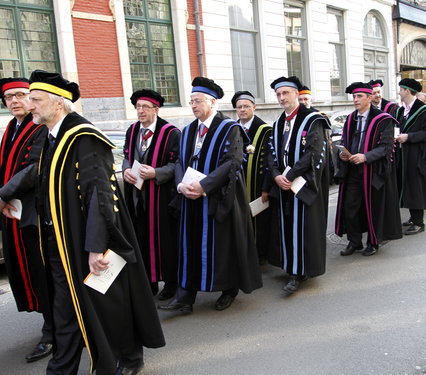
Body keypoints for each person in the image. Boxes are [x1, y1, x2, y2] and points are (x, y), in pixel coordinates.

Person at [0, 70, 165, 374]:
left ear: (58, 103)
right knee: (68, 310)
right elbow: (46, 183)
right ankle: (63, 368)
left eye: (35, 99)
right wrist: (22, 207)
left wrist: (96, 248)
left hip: (86, 241)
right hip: (59, 241)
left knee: (109, 307)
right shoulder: (51, 135)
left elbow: (100, 197)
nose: (30, 104)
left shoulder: (84, 138)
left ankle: (129, 357)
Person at [159, 77, 262, 313]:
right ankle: (185, 298)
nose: (193, 105)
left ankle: (229, 289)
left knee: (224, 246)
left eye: (198, 101)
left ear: (212, 102)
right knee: (189, 245)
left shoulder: (229, 129)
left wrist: (204, 186)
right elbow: (179, 163)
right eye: (191, 101)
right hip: (190, 199)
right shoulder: (187, 131)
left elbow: (233, 162)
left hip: (220, 198)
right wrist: (180, 186)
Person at [0, 78, 52, 362]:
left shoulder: (40, 127)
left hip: (36, 214)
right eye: (9, 98)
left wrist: (2, 194)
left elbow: (34, 169)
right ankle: (50, 322)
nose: (15, 101)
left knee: (43, 272)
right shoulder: (11, 128)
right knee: (27, 272)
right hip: (14, 213)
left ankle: (55, 330)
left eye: (21, 95)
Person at [265, 76, 330, 293]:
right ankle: (290, 266)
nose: (282, 97)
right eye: (278, 94)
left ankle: (300, 271)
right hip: (283, 185)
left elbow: (314, 152)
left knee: (303, 228)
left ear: (296, 94)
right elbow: (271, 155)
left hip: (303, 184)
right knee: (286, 227)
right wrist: (276, 176)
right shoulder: (277, 124)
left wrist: (290, 175)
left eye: (286, 93)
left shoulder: (312, 120)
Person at [122, 89, 180, 299]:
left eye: (145, 107)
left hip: (161, 198)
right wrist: (126, 169)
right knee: (141, 241)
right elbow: (127, 156)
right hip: (137, 198)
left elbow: (178, 165)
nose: (140, 111)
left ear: (156, 109)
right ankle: (150, 282)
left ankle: (171, 284)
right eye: (137, 107)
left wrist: (157, 172)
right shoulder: (132, 130)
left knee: (166, 243)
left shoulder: (171, 132)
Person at [335, 82, 402, 256]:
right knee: (350, 208)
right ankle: (354, 241)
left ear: (370, 98)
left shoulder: (383, 119)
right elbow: (345, 141)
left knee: (372, 208)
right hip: (352, 171)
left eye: (359, 97)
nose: (355, 100)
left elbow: (386, 147)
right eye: (354, 97)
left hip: (373, 172)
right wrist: (344, 153)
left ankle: (373, 242)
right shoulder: (351, 119)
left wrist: (365, 156)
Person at [231, 90, 272, 264]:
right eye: (239, 107)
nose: (242, 110)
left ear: (254, 107)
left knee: (259, 221)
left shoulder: (264, 130)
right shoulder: (232, 129)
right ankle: (243, 252)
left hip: (257, 185)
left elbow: (271, 161)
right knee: (239, 218)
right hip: (237, 184)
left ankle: (260, 254)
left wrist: (266, 187)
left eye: (246, 106)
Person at [395, 79, 426, 235]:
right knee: (407, 187)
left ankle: (419, 222)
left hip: (417, 156)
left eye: (401, 89)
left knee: (416, 187)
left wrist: (408, 137)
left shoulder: (425, 111)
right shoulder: (400, 110)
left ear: (407, 90)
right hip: (402, 155)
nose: (399, 92)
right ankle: (413, 217)